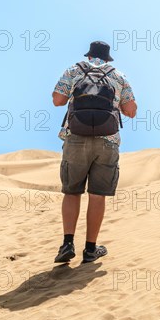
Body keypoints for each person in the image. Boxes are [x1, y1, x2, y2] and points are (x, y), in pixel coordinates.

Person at [51, 41, 137, 263]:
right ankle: (90, 249)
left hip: (75, 138)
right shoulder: (118, 75)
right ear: (108, 59)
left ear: (89, 56)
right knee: (97, 195)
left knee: (72, 192)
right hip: (107, 141)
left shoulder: (73, 70)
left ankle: (67, 244)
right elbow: (131, 111)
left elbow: (58, 101)